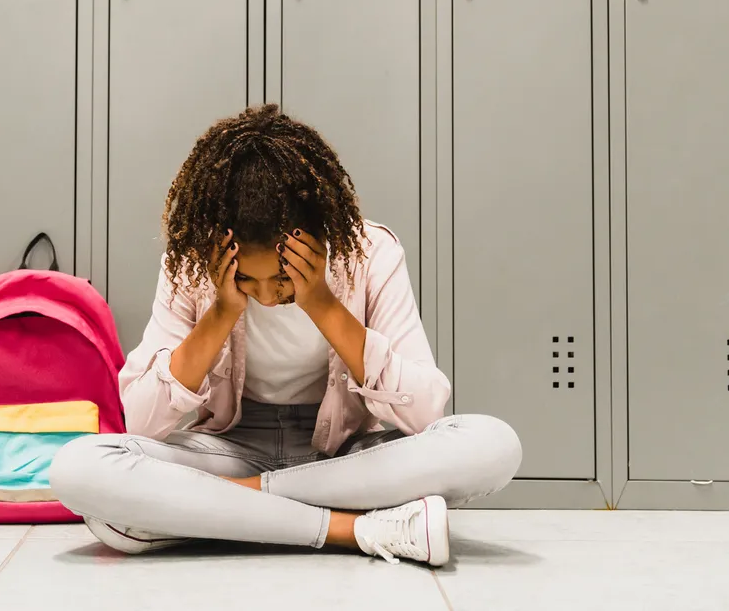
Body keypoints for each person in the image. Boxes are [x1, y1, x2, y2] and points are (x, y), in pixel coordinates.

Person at [50, 105, 521, 566]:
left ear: (317, 237)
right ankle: (355, 529)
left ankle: (228, 507)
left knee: (492, 444)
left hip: (344, 458)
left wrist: (321, 302)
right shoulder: (194, 267)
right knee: (78, 466)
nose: (268, 298)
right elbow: (139, 420)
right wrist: (221, 312)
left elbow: (424, 411)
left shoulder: (371, 253)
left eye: (281, 279)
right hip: (231, 448)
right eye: (248, 283)